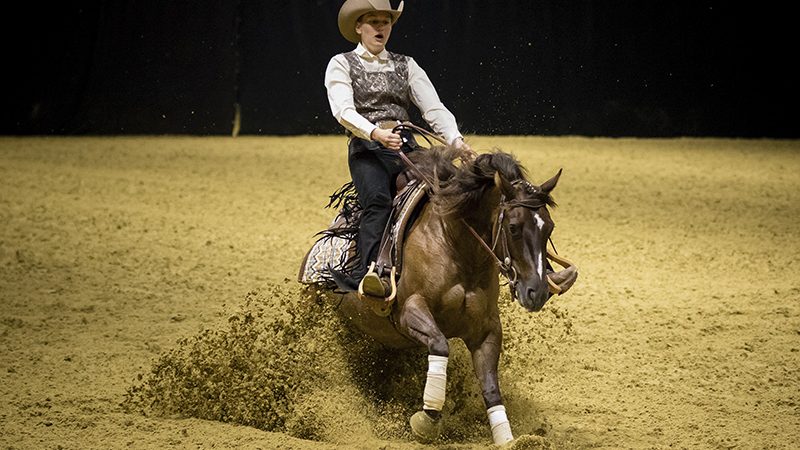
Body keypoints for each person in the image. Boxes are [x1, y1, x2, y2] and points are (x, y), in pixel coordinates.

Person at [325, 0, 473, 299]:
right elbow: (343, 110)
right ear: (359, 27)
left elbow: (433, 108)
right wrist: (375, 133)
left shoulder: (406, 64)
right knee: (378, 202)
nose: (381, 28)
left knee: (454, 191)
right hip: (367, 148)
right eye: (374, 22)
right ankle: (366, 273)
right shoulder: (341, 63)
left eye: (386, 22)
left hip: (406, 144)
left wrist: (456, 141)